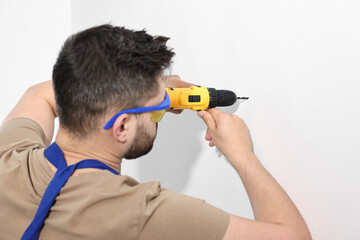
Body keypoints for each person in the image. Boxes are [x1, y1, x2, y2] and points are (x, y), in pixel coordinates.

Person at [0, 24, 311, 239]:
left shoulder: (9, 157)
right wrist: (243, 156)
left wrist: (152, 94)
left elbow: (38, 93)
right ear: (121, 126)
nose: (159, 112)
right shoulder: (140, 212)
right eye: (155, 110)